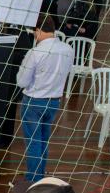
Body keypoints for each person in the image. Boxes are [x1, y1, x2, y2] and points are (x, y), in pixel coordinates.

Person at [17, 15, 73, 182]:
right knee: (43, 140)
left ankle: (33, 179)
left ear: (38, 30)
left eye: (35, 33)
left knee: (33, 142)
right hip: (54, 101)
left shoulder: (35, 52)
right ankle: (40, 175)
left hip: (34, 101)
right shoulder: (68, 50)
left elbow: (22, 81)